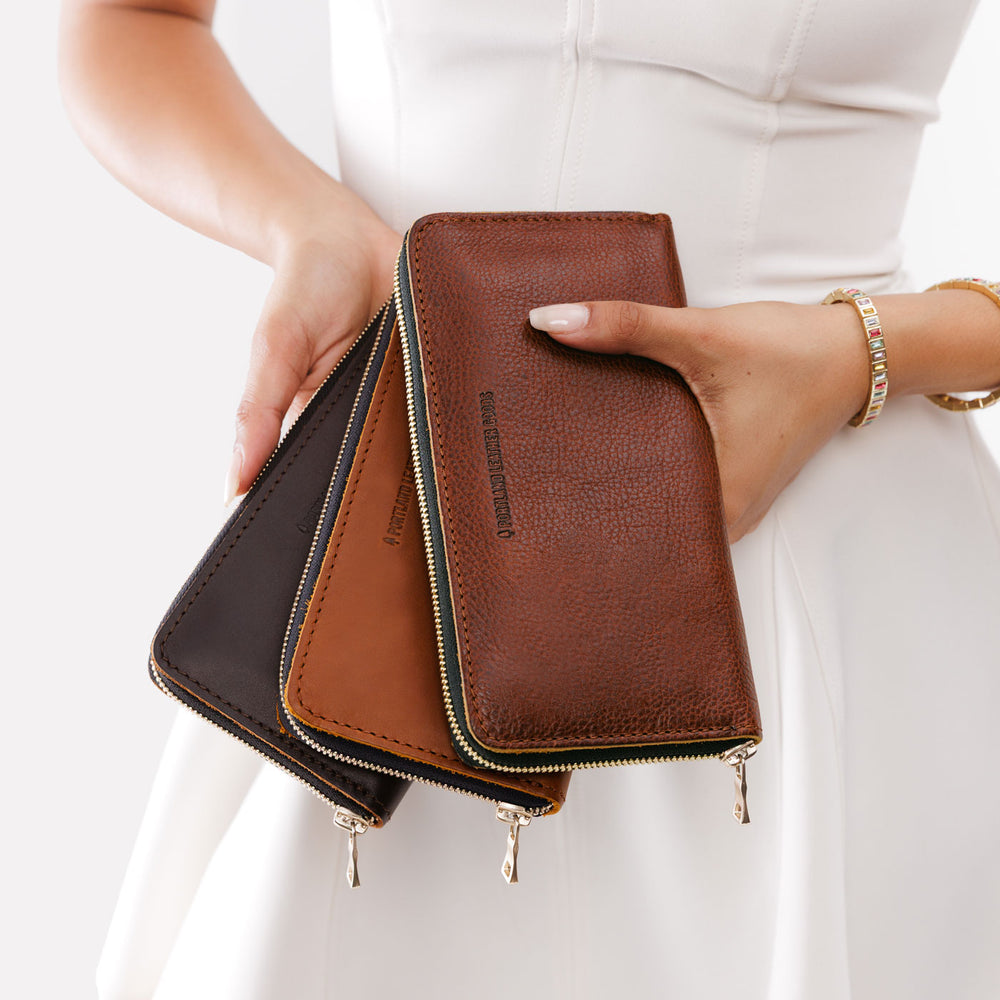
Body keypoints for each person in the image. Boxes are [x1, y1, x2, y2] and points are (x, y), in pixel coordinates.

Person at [60, 1, 1000, 998]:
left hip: (815, 560)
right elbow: (131, 18)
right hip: (392, 539)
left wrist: (858, 351)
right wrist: (309, 223)